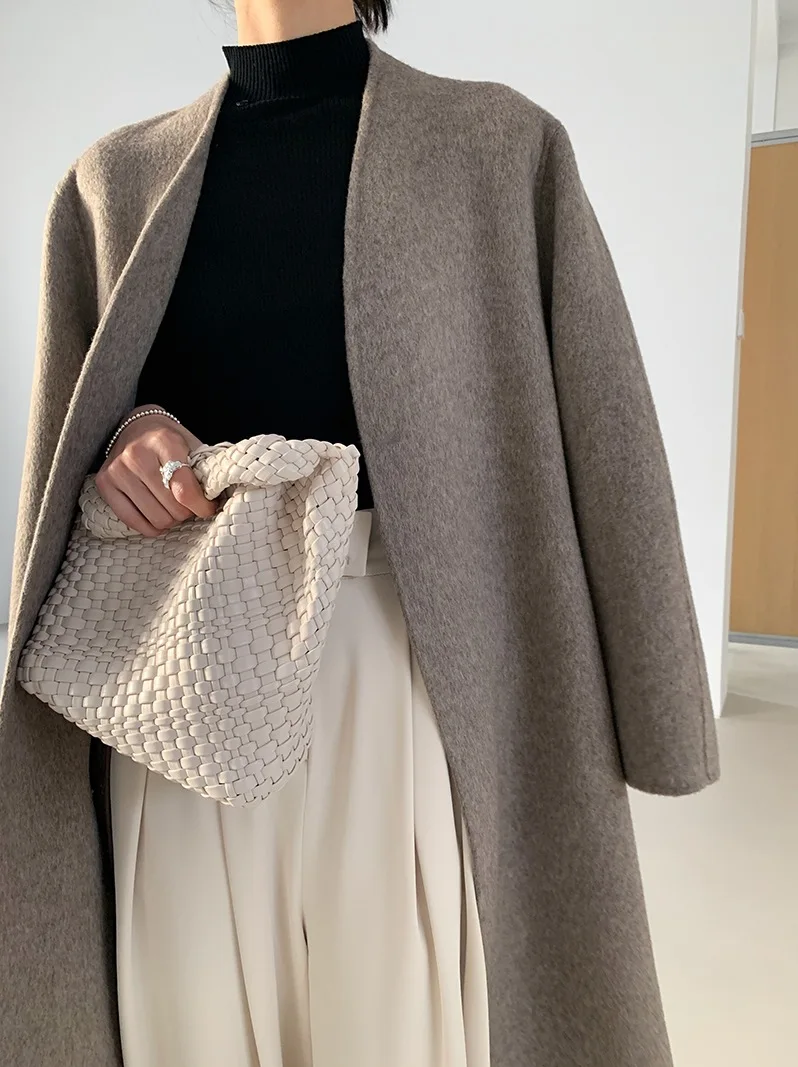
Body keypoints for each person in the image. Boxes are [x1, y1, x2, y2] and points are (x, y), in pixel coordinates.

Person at [0, 1, 721, 1066]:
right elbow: (65, 472)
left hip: (403, 678)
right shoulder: (112, 184)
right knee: (188, 1029)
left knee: (396, 1024)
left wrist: (663, 705)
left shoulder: (496, 148)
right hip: (179, 701)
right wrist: (132, 436)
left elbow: (611, 432)